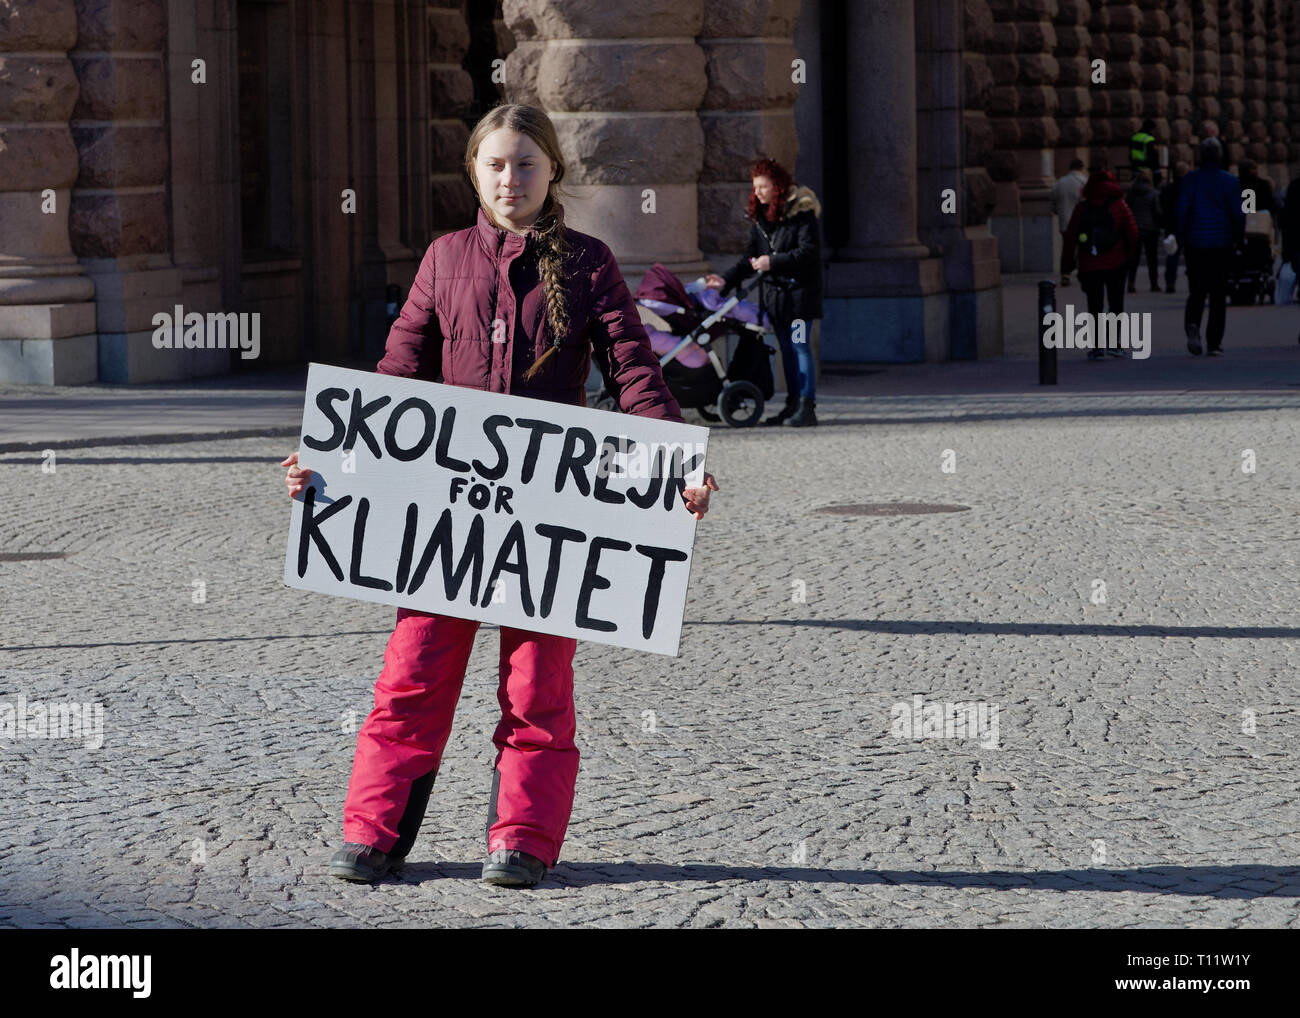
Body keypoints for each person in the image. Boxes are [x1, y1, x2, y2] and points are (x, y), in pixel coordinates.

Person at [280, 103, 719, 889]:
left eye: (525, 164)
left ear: (553, 172)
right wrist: (331, 459)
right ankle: (372, 833)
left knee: (537, 685)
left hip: (551, 513)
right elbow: (397, 377)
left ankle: (521, 839)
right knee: (411, 675)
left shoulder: (588, 263)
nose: (509, 179)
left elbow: (634, 374)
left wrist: (675, 464)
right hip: (444, 513)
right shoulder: (445, 258)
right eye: (495, 165)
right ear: (473, 174)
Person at [704, 157, 824, 427]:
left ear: (778, 187)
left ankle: (807, 407)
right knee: (786, 350)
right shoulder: (762, 219)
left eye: (762, 186)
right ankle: (792, 405)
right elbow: (750, 258)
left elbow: (808, 253)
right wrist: (724, 280)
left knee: (799, 347)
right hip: (776, 299)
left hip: (798, 298)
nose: (757, 192)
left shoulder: (801, 215)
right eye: (755, 187)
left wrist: (773, 261)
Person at [1176, 136, 1245, 356]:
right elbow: (1238, 213)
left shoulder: (1190, 180)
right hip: (1222, 243)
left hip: (1196, 243)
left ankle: (1192, 326)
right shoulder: (1231, 181)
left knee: (1196, 290)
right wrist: (1238, 237)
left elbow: (1181, 210)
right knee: (1218, 295)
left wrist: (1181, 237)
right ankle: (1214, 342)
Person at [1060, 168, 1139, 359]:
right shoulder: (1119, 205)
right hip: (1116, 263)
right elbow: (1133, 232)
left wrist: (1067, 266)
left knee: (1094, 306)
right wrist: (1129, 256)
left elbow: (1070, 237)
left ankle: (1096, 346)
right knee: (1115, 304)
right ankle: (1114, 344)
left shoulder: (1082, 208)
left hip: (1090, 264)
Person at [1051, 158, 1089, 287]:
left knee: (1067, 248)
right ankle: (1082, 271)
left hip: (1064, 222)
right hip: (1081, 222)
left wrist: (1059, 212)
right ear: (1082, 168)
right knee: (1083, 247)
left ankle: (1065, 273)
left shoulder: (1059, 183)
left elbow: (1053, 204)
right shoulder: (1084, 182)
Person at [1125, 168, 1162, 293]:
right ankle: (1154, 283)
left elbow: (1127, 209)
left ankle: (1131, 282)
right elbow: (1157, 212)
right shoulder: (1153, 193)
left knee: (1133, 258)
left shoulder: (1131, 193)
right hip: (1150, 229)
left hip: (1134, 228)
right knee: (1152, 258)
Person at [1159, 160, 1189, 293]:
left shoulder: (1167, 189)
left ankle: (1170, 283)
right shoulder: (1189, 188)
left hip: (1171, 226)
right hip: (1187, 227)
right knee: (1191, 257)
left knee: (1172, 256)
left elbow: (1162, 206)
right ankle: (1194, 281)